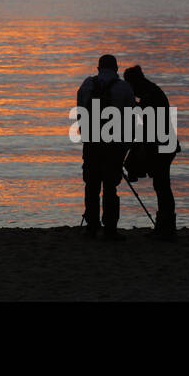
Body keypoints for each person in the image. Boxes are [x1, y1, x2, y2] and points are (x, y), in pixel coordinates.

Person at [77, 54, 135, 240]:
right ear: (116, 69)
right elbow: (132, 118)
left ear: (98, 68)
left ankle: (92, 226)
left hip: (92, 144)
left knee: (91, 185)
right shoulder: (124, 87)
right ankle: (110, 228)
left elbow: (80, 113)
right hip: (114, 145)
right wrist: (126, 146)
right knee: (110, 187)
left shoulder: (87, 84)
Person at [123, 64, 179, 240]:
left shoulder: (150, 95)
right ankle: (164, 226)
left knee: (162, 185)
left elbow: (147, 123)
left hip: (162, 146)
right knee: (161, 184)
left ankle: (166, 228)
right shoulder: (151, 92)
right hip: (163, 144)